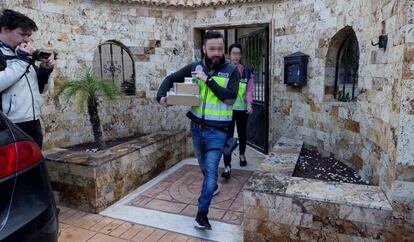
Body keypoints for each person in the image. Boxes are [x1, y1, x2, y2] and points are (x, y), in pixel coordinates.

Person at [157, 31, 239, 230]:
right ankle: (211, 188)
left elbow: (230, 99)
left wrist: (208, 80)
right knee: (205, 170)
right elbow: (171, 79)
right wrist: (161, 97)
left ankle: (202, 214)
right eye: (212, 49)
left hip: (218, 132)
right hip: (197, 130)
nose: (216, 53)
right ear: (204, 49)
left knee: (210, 172)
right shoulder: (195, 67)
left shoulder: (231, 71)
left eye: (220, 49)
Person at [0, 9, 55, 149]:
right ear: (4, 29)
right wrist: (22, 62)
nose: (26, 39)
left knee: (34, 166)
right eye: (22, 34)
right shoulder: (18, 57)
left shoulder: (22, 54)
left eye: (29, 35)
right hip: (10, 125)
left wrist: (45, 70)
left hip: (33, 121)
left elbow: (40, 89)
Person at [221, 43, 254, 179]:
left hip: (241, 109)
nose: (236, 56)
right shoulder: (224, 70)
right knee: (227, 137)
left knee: (242, 134)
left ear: (240, 55)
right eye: (233, 53)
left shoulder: (246, 71)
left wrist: (249, 104)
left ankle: (242, 155)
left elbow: (249, 90)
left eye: (238, 53)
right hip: (228, 109)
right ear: (230, 55)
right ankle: (227, 166)